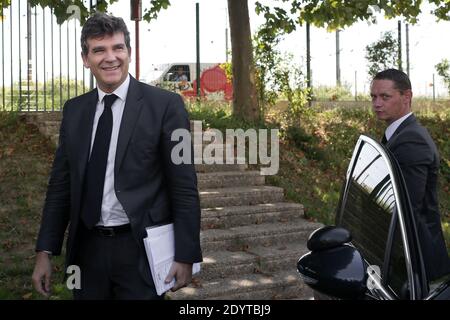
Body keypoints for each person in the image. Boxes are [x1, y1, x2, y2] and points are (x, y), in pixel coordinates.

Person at [31, 12, 202, 300]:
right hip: (86, 252)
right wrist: (44, 251)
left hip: (140, 251)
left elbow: (184, 186)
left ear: (129, 53)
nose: (110, 58)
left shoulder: (166, 106)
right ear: (86, 58)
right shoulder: (74, 111)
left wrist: (186, 255)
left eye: (117, 48)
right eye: (99, 50)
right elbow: (60, 186)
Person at [370, 68, 449, 282]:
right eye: (374, 97)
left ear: (407, 97)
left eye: (385, 96)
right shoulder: (399, 134)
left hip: (412, 260)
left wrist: (379, 255)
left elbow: (405, 210)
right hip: (403, 256)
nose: (377, 103)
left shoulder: (411, 139)